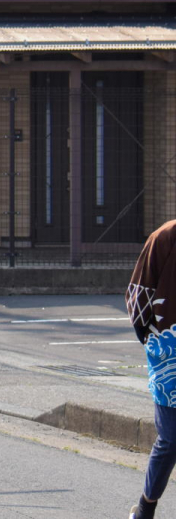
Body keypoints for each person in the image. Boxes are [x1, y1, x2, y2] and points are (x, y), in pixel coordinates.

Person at [129, 221, 176, 519]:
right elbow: (139, 294)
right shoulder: (165, 237)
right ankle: (146, 507)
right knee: (171, 437)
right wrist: (152, 339)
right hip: (170, 349)